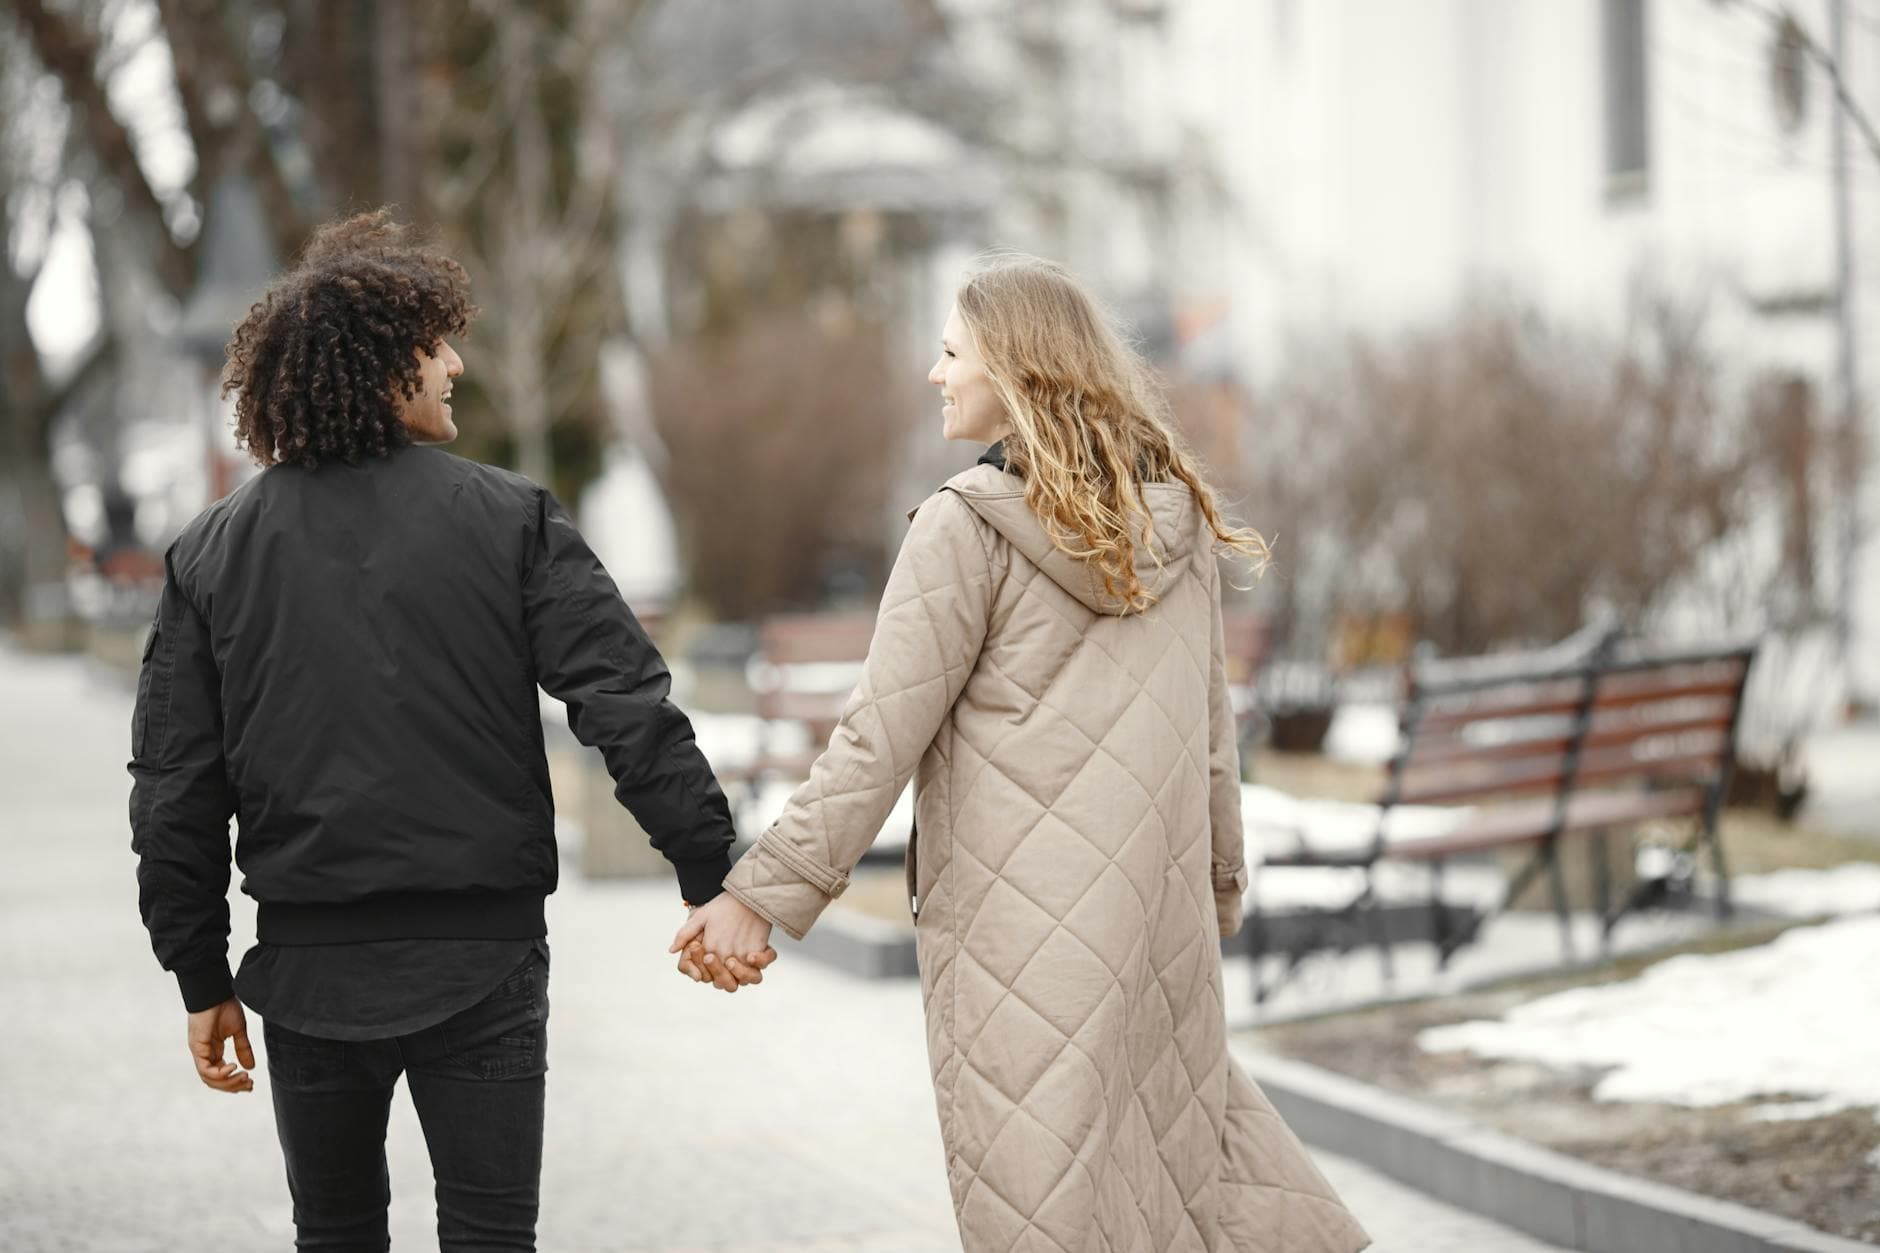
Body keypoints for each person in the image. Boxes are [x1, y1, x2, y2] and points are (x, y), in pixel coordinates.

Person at [673, 254, 1371, 1251]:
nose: (933, 373)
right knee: (1172, 1190)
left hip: (1017, 940)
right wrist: (1213, 887)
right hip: (1152, 929)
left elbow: (877, 737)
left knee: (1043, 1209)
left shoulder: (966, 527)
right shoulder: (1168, 515)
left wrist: (760, 895)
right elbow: (1211, 738)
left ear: (1013, 365)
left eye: (950, 351)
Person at [127, 209, 772, 1253]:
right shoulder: (510, 518)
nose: (457, 362)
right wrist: (709, 869)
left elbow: (174, 787)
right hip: (484, 956)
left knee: (333, 1235)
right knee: (489, 1237)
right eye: (437, 343)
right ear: (388, 367)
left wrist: (198, 973)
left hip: (308, 968)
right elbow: (623, 703)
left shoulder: (212, 553)